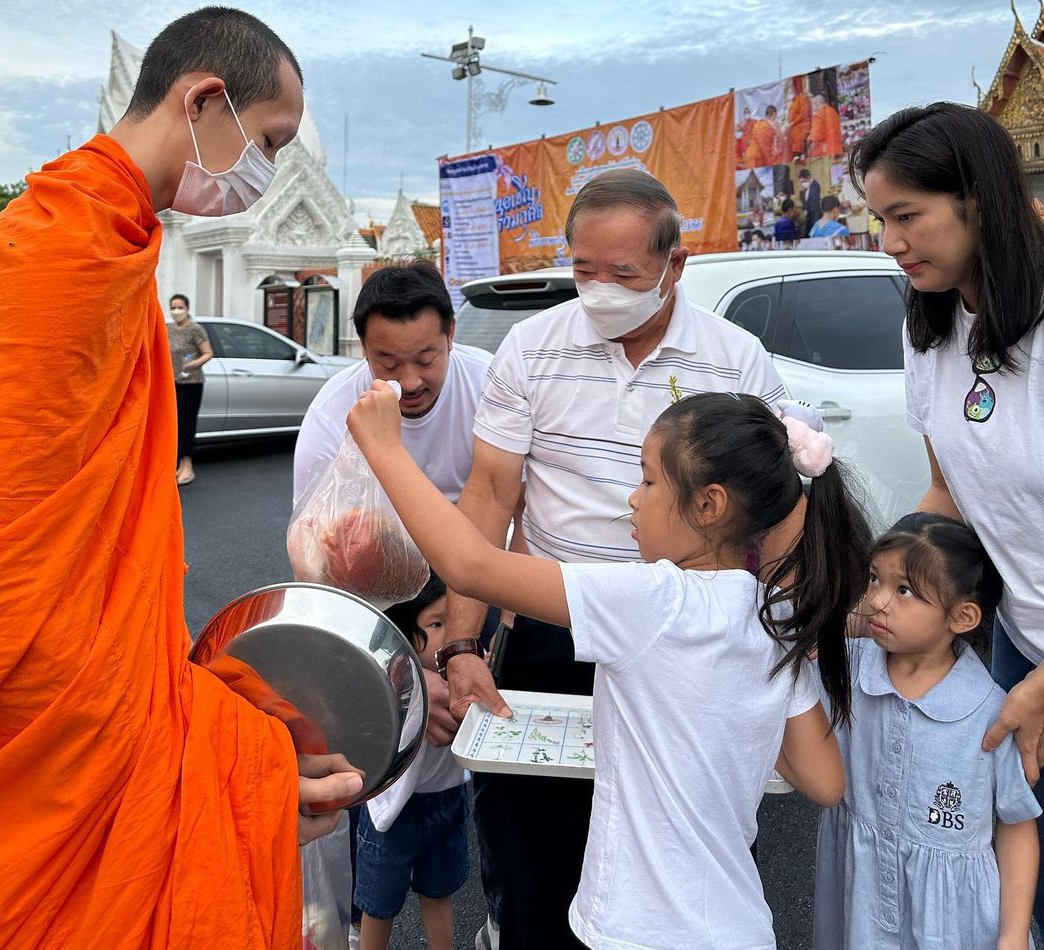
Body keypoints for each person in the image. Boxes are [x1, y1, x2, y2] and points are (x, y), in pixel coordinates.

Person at [0, 7, 364, 948]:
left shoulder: (109, 239)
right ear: (204, 100)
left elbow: (89, 535)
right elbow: (1, 568)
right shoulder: (62, 254)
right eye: (267, 140)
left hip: (100, 678)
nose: (261, 173)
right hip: (52, 732)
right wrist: (203, 749)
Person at [349, 386, 873, 950]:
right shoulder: (775, 621)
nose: (632, 499)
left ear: (709, 505)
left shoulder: (653, 600)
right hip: (738, 926)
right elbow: (824, 781)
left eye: (648, 481)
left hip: (633, 930)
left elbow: (470, 565)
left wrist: (385, 448)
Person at [436, 169, 790, 949]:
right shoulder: (532, 347)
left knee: (680, 850)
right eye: (583, 269)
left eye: (624, 274)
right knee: (532, 841)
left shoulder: (736, 361)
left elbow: (770, 509)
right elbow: (491, 494)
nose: (599, 291)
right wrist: (463, 642)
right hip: (554, 626)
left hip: (685, 643)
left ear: (676, 263)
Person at [852, 102, 1044, 924]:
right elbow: (948, 496)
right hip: (1018, 630)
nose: (891, 243)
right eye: (879, 219)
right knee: (1010, 865)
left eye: (907, 216)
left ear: (977, 197)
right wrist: (873, 591)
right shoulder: (932, 326)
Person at [292, 261, 492, 943]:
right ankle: (360, 918)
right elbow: (315, 562)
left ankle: (499, 907)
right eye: (387, 361)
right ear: (362, 350)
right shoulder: (331, 414)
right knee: (372, 770)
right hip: (381, 609)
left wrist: (464, 643)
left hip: (481, 599)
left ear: (452, 337)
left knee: (486, 765)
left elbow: (513, 520)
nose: (409, 381)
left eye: (427, 359)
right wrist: (405, 671)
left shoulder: (491, 387)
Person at [814, 513, 1039, 949]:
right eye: (875, 579)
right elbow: (801, 630)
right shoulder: (849, 667)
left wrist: (1013, 934)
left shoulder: (990, 712)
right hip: (859, 900)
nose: (878, 601)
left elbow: (1017, 824)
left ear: (963, 616)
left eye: (904, 591)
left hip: (952, 924)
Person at [355, 575, 469, 950]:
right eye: (436, 625)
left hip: (447, 801)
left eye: (455, 623)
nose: (449, 634)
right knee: (379, 902)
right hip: (392, 812)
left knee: (439, 890)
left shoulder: (468, 673)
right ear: (406, 636)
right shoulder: (396, 679)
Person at [166, 292, 213, 485]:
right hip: (173, 382)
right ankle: (177, 465)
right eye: (173, 307)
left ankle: (188, 466)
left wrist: (194, 364)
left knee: (187, 424)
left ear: (187, 308)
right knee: (174, 425)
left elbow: (208, 353)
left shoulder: (195, 329)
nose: (177, 311)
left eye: (180, 307)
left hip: (191, 382)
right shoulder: (167, 329)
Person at [808, 91, 844, 158]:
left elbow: (816, 135)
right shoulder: (833, 111)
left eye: (813, 106)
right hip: (837, 149)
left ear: (817, 104)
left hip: (825, 152)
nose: (813, 109)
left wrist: (809, 146)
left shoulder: (820, 113)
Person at [787, 77, 812, 161]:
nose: (789, 93)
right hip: (793, 129)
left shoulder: (802, 99)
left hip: (801, 127)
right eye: (789, 92)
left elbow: (804, 113)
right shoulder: (792, 103)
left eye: (791, 91)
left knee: (798, 145)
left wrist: (793, 122)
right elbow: (789, 116)